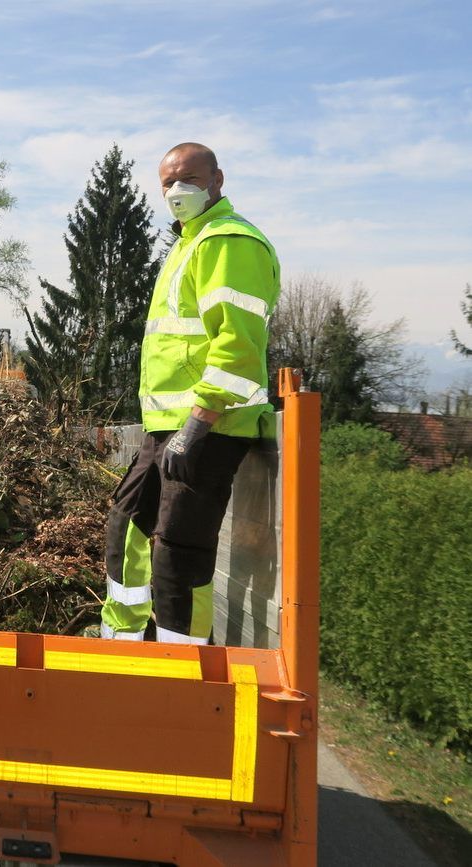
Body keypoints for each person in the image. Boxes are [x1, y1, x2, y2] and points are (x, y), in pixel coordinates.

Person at [99, 142, 280, 644]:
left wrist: (197, 425)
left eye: (188, 180)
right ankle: (123, 641)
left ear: (216, 181)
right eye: (167, 183)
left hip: (210, 427)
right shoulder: (189, 244)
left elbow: (237, 349)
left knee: (179, 551)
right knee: (127, 527)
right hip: (168, 428)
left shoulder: (229, 241)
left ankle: (182, 672)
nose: (176, 192)